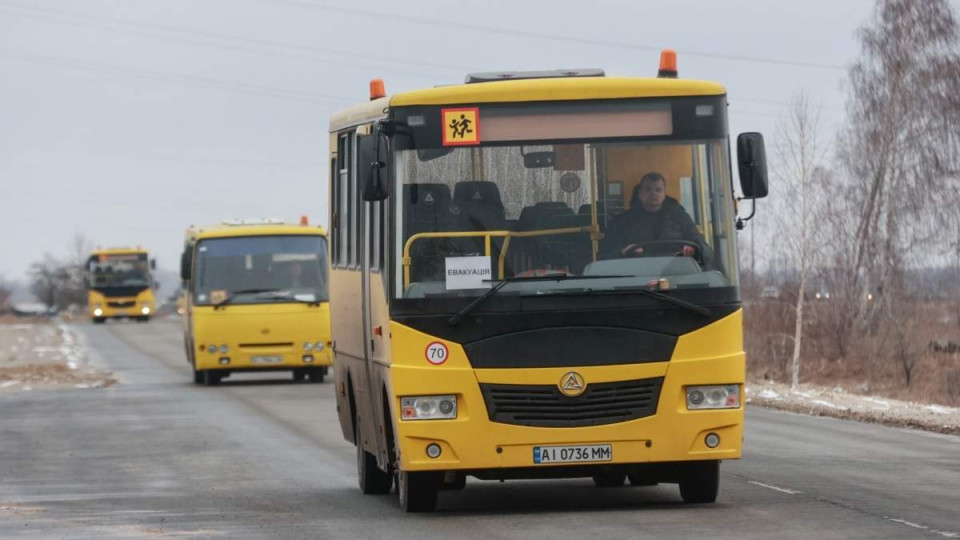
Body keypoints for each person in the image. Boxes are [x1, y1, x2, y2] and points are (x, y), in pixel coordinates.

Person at [599, 172, 711, 264]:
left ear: (664, 194)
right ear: (640, 193)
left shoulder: (681, 217)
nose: (653, 193)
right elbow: (605, 255)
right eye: (648, 189)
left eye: (658, 190)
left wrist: (694, 250)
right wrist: (623, 251)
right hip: (634, 278)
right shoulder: (621, 221)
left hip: (676, 274)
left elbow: (703, 248)